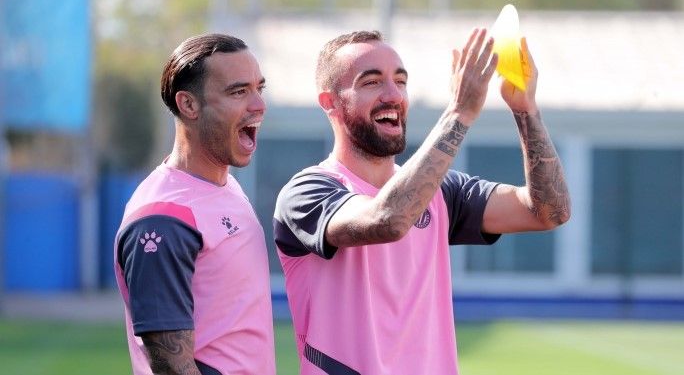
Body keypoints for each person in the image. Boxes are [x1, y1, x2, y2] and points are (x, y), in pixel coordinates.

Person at [273, 28, 570, 374]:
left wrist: (525, 109)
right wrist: (459, 112)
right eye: (371, 82)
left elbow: (549, 211)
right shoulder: (308, 191)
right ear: (330, 102)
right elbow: (388, 219)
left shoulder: (442, 191)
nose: (392, 94)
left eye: (400, 81)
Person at [114, 33, 275, 375]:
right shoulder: (162, 219)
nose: (259, 104)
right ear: (189, 105)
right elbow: (172, 368)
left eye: (259, 88)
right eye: (238, 91)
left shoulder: (224, 184)